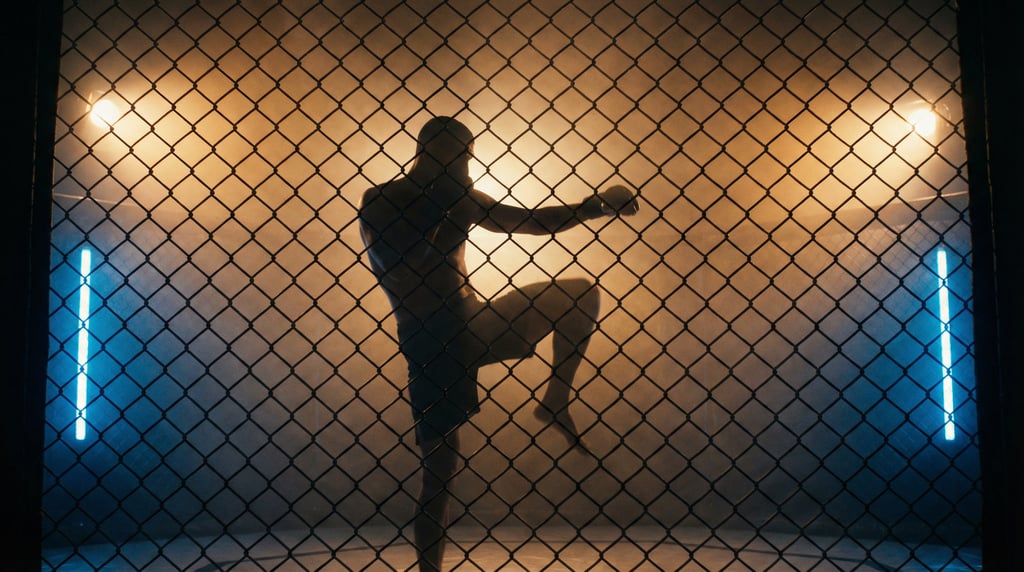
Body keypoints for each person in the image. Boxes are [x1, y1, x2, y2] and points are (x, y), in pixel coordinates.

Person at [358, 116, 638, 571]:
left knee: (580, 293)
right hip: (429, 342)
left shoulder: (461, 198)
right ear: (428, 153)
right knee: (438, 475)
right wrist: (447, 209)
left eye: (467, 152)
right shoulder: (385, 198)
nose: (465, 162)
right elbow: (400, 260)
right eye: (456, 152)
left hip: (475, 323)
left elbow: (529, 222)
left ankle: (555, 399)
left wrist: (594, 206)